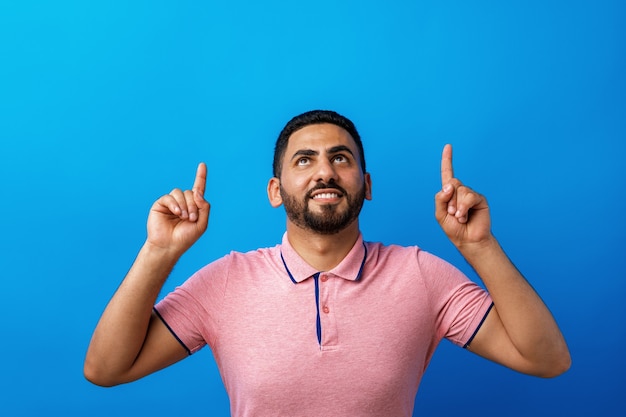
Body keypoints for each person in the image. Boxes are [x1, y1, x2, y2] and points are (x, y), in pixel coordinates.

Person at [84, 110, 570, 416]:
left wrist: (478, 245)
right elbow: (106, 368)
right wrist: (159, 252)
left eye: (341, 158)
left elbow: (547, 359)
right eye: (304, 160)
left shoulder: (421, 276)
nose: (324, 171)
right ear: (275, 192)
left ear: (366, 184)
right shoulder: (226, 281)